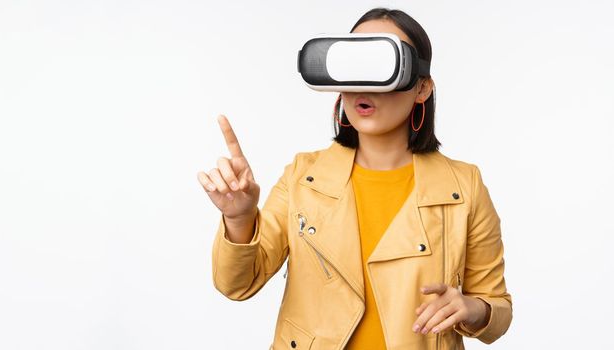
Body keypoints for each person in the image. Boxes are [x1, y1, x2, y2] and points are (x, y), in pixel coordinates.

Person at [197, 8, 512, 350]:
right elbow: (237, 284)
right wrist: (239, 218)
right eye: (353, 67)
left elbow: (497, 309)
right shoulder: (304, 176)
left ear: (421, 88)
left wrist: (471, 308)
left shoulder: (463, 186)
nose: (364, 85)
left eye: (380, 67)